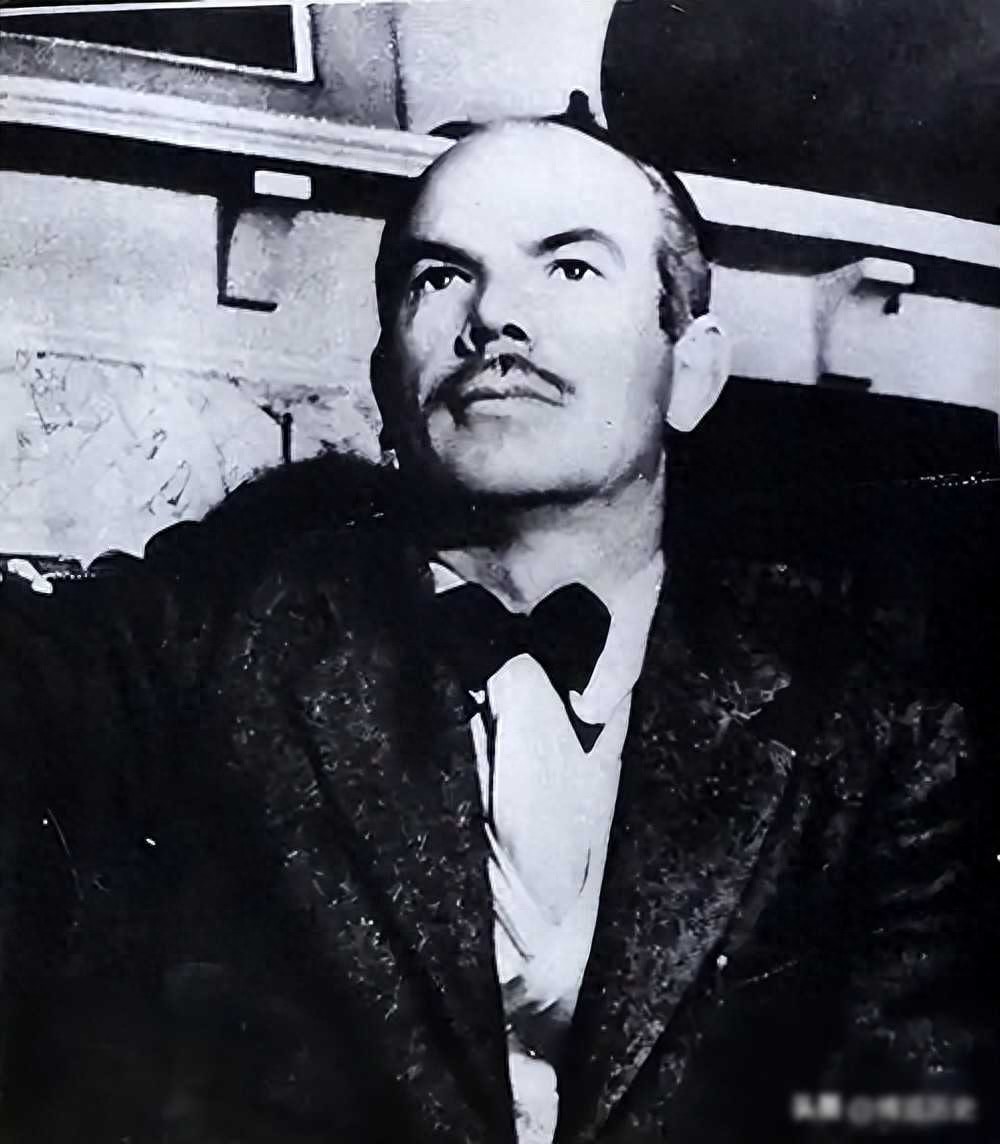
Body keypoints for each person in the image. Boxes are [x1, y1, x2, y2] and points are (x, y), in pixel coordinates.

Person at [0, 99, 991, 1144]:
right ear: (386, 381)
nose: (494, 319)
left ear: (692, 373)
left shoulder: (875, 722)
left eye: (570, 268)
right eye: (440, 276)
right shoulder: (203, 639)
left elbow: (916, 1107)